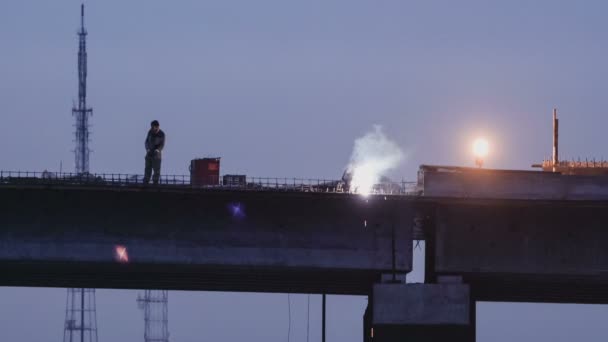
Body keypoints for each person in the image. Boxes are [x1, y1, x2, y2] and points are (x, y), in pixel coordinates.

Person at [143, 120, 165, 185]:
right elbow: (146, 141)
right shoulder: (150, 132)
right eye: (151, 127)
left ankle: (155, 182)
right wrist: (147, 149)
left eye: (153, 127)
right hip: (149, 153)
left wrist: (158, 150)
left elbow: (162, 144)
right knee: (147, 168)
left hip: (157, 155)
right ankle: (146, 181)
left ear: (157, 126)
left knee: (156, 169)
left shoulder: (162, 134)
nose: (152, 128)